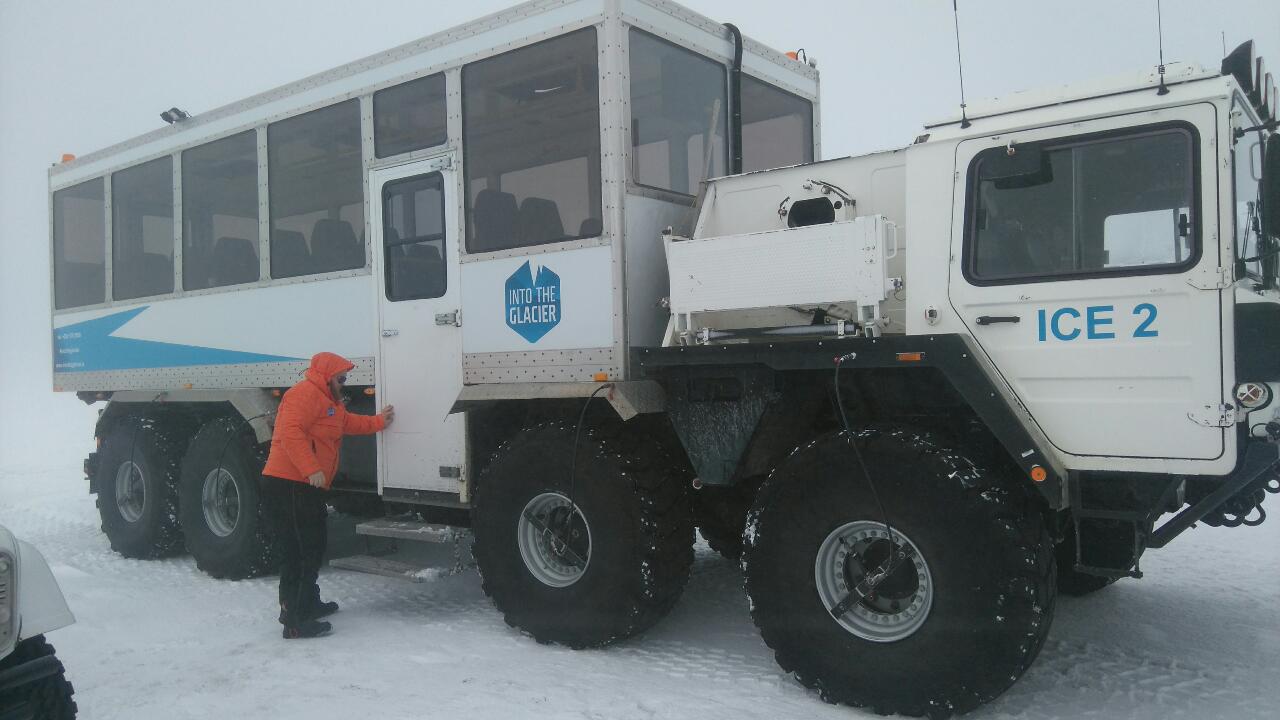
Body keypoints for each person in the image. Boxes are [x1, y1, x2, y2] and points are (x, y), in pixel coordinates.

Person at [261, 352, 394, 639]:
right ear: (326, 376)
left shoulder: (328, 402)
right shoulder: (304, 394)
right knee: (299, 550)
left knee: (312, 546)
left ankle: (306, 604)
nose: (344, 383)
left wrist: (379, 421)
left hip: (306, 485)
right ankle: (296, 621)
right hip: (290, 484)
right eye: (341, 378)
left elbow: (349, 424)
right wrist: (311, 469)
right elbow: (289, 433)